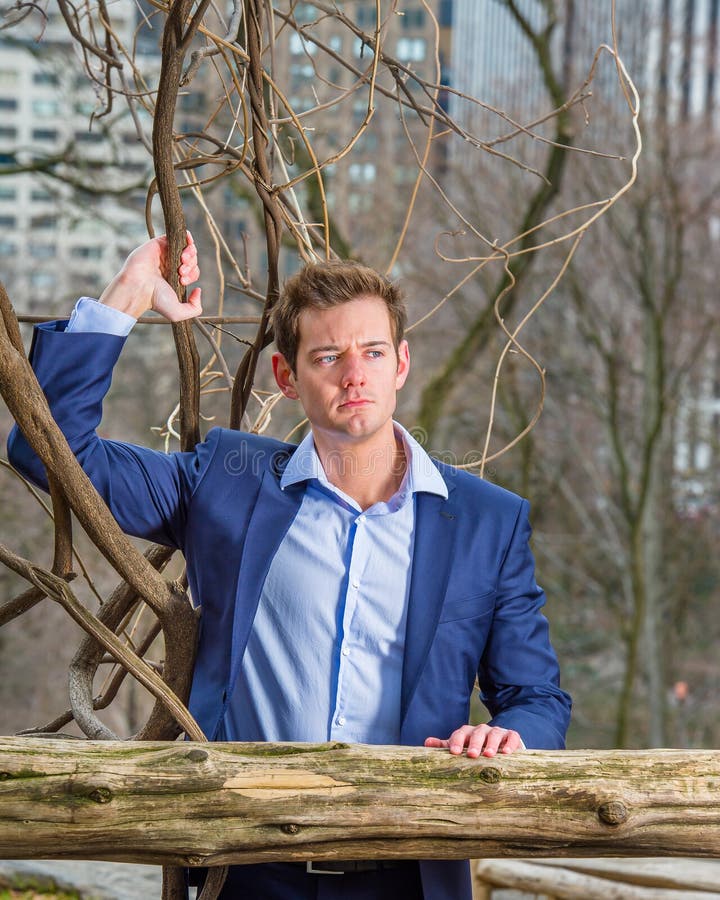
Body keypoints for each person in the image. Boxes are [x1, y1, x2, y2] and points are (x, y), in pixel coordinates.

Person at [8, 235, 571, 900]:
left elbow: (538, 700)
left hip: (412, 872)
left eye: (373, 352)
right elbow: (49, 451)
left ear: (402, 365)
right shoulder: (228, 484)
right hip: (244, 869)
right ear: (287, 376)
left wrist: (508, 736)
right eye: (328, 356)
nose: (354, 374)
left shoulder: (486, 521)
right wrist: (127, 293)